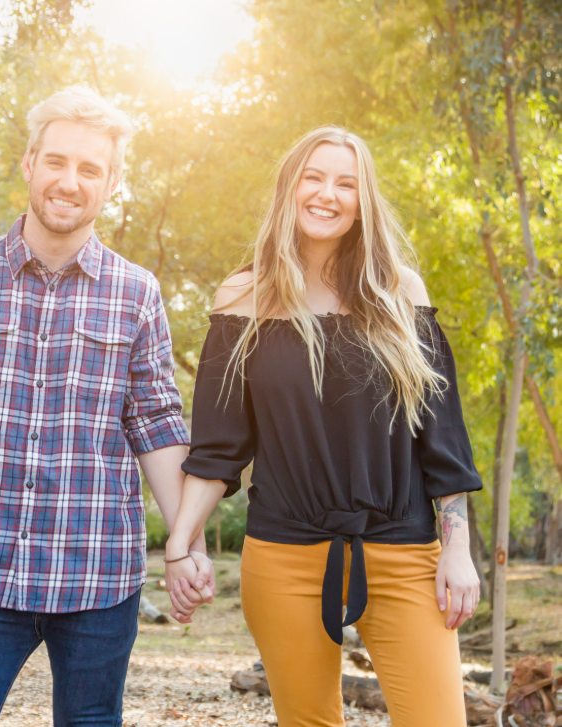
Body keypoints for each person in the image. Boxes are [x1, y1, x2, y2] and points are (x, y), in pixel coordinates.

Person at [0, 86, 212, 727]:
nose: (70, 182)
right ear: (29, 164)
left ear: (112, 183)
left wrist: (186, 543)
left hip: (99, 576)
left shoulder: (136, 293)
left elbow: (156, 422)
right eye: (57, 162)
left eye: (90, 168)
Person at [164, 126, 482, 727]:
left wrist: (458, 550)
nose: (326, 194)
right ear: (289, 187)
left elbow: (442, 440)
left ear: (364, 201)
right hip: (283, 554)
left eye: (346, 183)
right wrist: (180, 546)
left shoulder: (400, 292)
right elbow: (218, 448)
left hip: (403, 549)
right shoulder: (243, 296)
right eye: (313, 177)